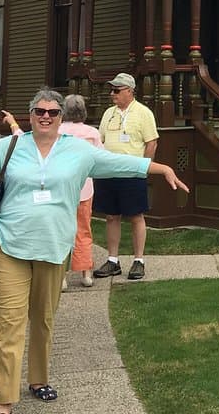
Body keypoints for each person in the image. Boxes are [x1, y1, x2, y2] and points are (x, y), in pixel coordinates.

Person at [0, 87, 188, 414]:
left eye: (52, 112)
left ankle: (39, 379)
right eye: (39, 111)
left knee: (43, 319)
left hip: (54, 248)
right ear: (30, 116)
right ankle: (5, 400)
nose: (45, 117)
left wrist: (161, 169)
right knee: (10, 322)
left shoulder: (79, 152)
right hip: (9, 245)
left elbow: (119, 164)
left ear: (60, 117)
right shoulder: (11, 146)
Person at [2, 93, 102, 291]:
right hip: (84, 191)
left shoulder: (57, 130)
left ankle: (61, 276)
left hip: (58, 191)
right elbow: (100, 158)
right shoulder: (92, 133)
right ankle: (86, 274)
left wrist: (13, 123)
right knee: (83, 230)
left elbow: (23, 139)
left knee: (60, 231)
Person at [93, 72, 159, 281]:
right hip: (108, 173)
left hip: (132, 173)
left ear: (130, 91)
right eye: (112, 90)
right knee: (112, 216)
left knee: (136, 216)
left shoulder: (143, 113)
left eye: (117, 90)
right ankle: (113, 260)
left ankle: (139, 260)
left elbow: (151, 143)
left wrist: (143, 168)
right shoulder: (108, 114)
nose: (112, 94)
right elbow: (100, 140)